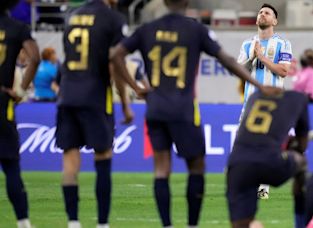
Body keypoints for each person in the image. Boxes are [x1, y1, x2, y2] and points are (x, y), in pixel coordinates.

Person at [111, 0, 279, 227]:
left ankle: (167, 224)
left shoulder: (147, 29)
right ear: (187, 2)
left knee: (161, 168)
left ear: (165, 2)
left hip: (156, 107)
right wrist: (258, 85)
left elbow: (116, 55)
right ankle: (192, 224)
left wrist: (137, 87)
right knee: (197, 166)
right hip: (183, 108)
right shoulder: (196, 30)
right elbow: (227, 60)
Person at [56, 0, 146, 227]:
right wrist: (127, 100)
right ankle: (102, 223)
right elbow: (115, 62)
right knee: (103, 156)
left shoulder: (73, 16)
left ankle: (73, 222)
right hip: (95, 95)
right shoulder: (112, 19)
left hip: (67, 93)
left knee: (69, 160)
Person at [226, 90, 309, 228]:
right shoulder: (298, 98)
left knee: (242, 223)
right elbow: (302, 145)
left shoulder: (254, 96)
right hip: (270, 162)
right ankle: (300, 222)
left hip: (238, 163)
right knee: (301, 161)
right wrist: (293, 151)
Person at [237, 2, 293, 202]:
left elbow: (284, 71)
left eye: (267, 13)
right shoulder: (247, 44)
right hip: (250, 102)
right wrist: (252, 57)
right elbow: (238, 70)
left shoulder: (283, 44)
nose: (262, 14)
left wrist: (262, 57)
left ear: (274, 21)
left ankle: (263, 187)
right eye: (260, 12)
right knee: (243, 144)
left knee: (268, 145)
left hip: (273, 103)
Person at [0, 0, 40, 227]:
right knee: (11, 167)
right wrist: (21, 90)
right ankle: (23, 222)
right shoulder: (17, 28)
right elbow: (34, 57)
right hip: (3, 101)